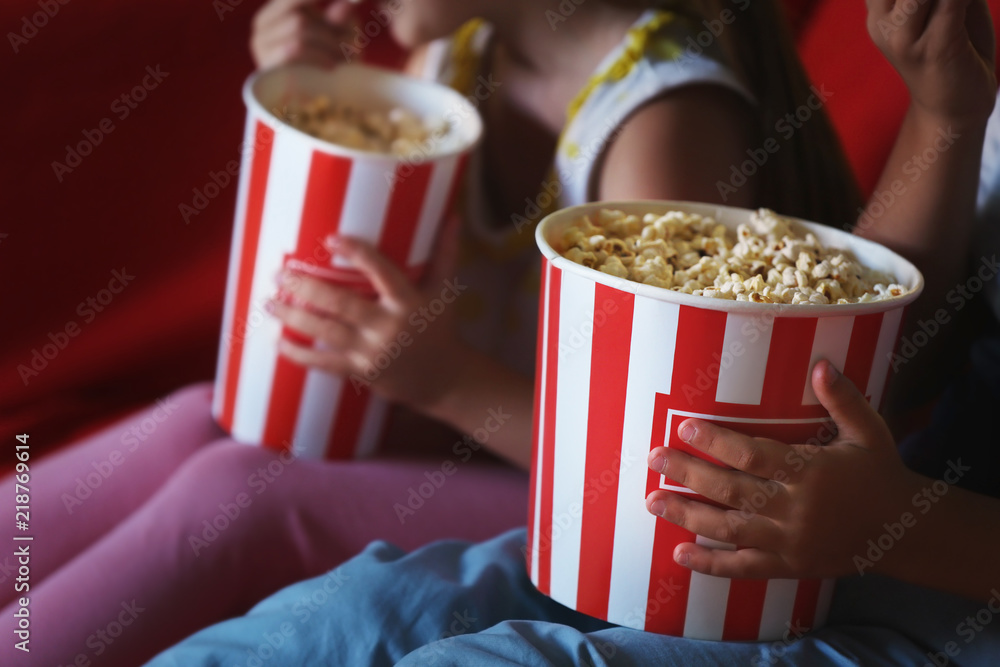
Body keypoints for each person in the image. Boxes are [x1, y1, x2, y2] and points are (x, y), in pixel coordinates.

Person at [0, 1, 863, 665]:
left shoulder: (659, 129)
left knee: (245, 492)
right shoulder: (460, 50)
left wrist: (445, 379)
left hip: (611, 532)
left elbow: (658, 472)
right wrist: (317, 106)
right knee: (205, 414)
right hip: (465, 445)